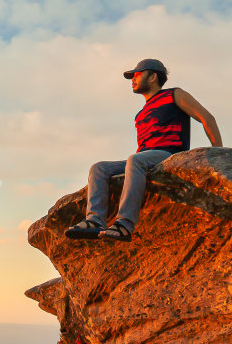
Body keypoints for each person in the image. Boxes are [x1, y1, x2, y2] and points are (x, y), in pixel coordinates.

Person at [65, 58, 222, 241]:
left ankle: (124, 224)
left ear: (153, 76)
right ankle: (94, 221)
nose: (133, 79)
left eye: (137, 75)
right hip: (145, 157)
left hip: (169, 153)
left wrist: (219, 153)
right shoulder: (141, 113)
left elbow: (206, 117)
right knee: (99, 168)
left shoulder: (174, 94)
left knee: (135, 160)